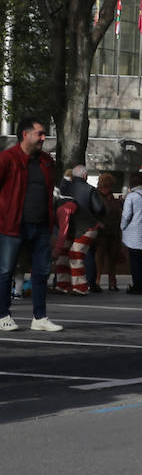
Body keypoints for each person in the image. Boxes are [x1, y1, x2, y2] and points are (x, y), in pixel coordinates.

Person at [0, 116, 63, 333]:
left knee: (41, 272)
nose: (44, 138)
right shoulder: (7, 159)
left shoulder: (47, 161)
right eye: (40, 134)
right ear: (25, 134)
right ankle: (2, 315)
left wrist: (51, 226)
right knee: (6, 270)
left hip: (41, 226)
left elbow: (49, 195)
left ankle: (40, 317)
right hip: (12, 225)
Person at [56, 166, 104, 294]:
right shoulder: (90, 189)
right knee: (75, 254)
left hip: (69, 226)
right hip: (86, 226)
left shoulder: (64, 188)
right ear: (85, 176)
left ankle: (62, 284)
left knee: (63, 254)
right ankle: (80, 286)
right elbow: (99, 208)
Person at [93, 172, 123, 290]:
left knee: (109, 258)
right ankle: (101, 280)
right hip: (104, 232)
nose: (109, 189)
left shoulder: (107, 197)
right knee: (102, 258)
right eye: (108, 186)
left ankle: (109, 281)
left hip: (110, 232)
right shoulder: (98, 196)